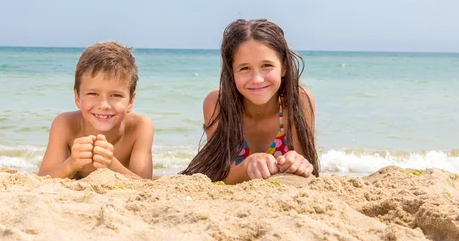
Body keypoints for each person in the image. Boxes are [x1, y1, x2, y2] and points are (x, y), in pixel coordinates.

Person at [182, 19, 319, 184]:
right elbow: (216, 176)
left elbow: (306, 171)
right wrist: (247, 166)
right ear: (231, 71)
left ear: (283, 67)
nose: (257, 79)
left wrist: (297, 162)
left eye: (267, 65)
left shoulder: (299, 100)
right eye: (245, 68)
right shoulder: (217, 104)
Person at [38, 41, 154, 179]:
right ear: (77, 97)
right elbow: (43, 178)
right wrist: (71, 164)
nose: (104, 105)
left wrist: (113, 165)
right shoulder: (64, 124)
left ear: (130, 101)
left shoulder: (140, 127)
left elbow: (145, 183)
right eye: (93, 94)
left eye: (116, 95)